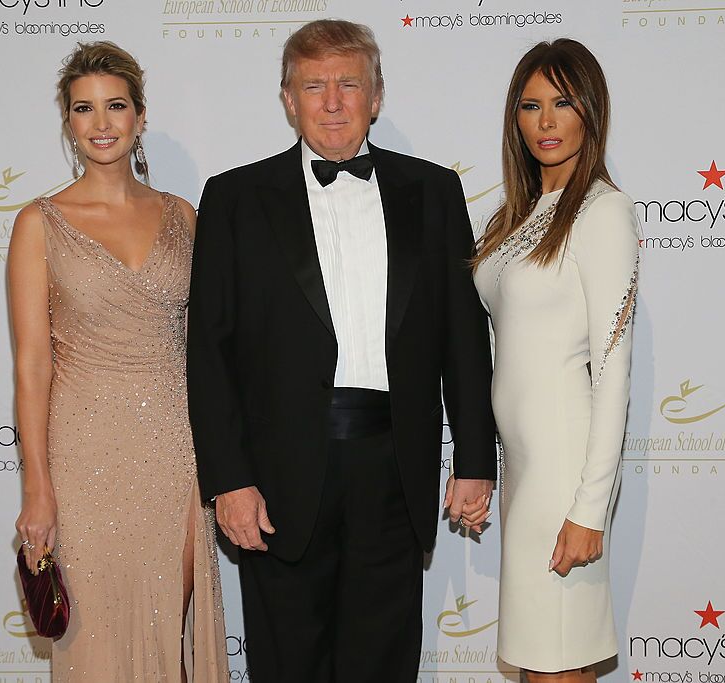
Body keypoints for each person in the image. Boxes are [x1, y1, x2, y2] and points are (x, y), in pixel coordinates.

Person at [187, 19, 497, 683]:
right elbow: (208, 352)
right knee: (287, 663)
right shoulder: (234, 198)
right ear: (288, 99)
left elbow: (464, 340)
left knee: (382, 663)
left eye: (349, 83)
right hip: (276, 478)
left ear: (376, 96)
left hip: (394, 471)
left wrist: (474, 459)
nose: (332, 100)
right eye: (314, 85)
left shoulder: (434, 192)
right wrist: (228, 480)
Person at [9, 41, 227, 682]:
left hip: (176, 451)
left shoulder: (183, 218)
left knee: (175, 635)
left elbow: (210, 348)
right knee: (100, 645)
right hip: (84, 458)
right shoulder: (39, 224)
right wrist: (37, 491)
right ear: (68, 123)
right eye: (84, 109)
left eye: (115, 106)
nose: (101, 123)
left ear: (138, 117)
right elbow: (31, 368)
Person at [468, 39, 639, 682]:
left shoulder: (603, 213)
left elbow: (614, 367)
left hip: (566, 473)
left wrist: (591, 506)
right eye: (531, 105)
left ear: (590, 112)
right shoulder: (519, 217)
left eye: (562, 103)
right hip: (525, 472)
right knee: (540, 663)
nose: (545, 122)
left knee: (557, 665)